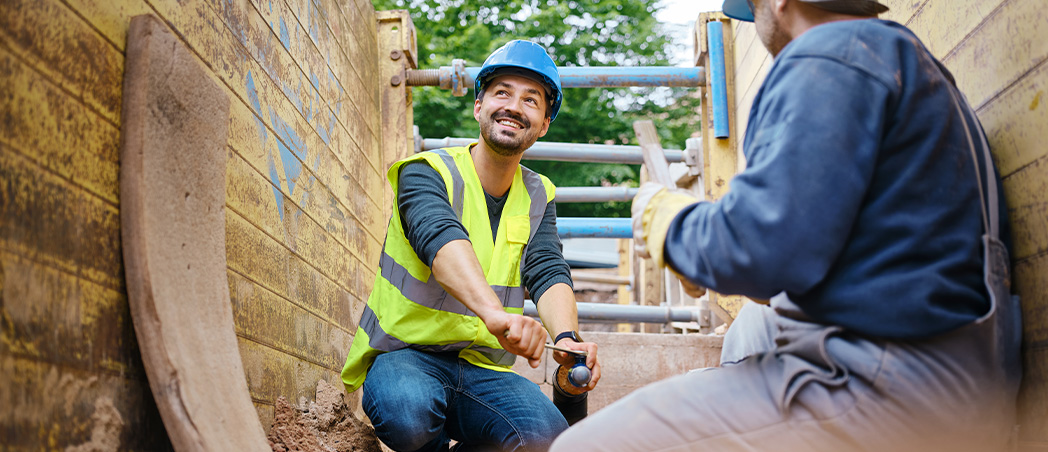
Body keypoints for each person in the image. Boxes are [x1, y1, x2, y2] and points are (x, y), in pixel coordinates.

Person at [552, 0, 1021, 451]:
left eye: (752, 7)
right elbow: (791, 263)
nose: (754, 21)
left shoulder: (825, 57)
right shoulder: (892, 54)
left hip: (884, 387)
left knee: (581, 446)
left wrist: (667, 222)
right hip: (953, 373)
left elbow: (758, 253)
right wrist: (705, 259)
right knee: (747, 331)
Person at [341, 40, 601, 452]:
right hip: (405, 357)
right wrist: (496, 317)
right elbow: (439, 238)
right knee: (408, 416)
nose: (515, 106)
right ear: (479, 106)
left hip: (482, 369)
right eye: (502, 93)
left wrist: (567, 338)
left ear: (544, 123)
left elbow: (547, 268)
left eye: (531, 100)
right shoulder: (426, 172)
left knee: (545, 438)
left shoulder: (538, 195)